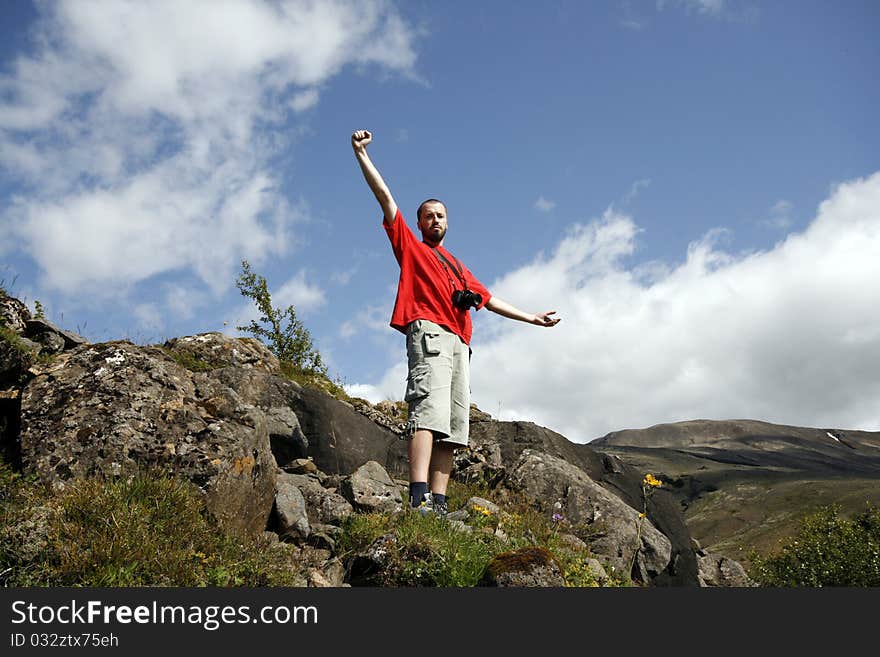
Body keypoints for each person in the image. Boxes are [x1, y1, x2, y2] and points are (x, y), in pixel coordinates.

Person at [351, 129, 561, 516]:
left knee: (453, 424)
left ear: (448, 222)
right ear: (418, 224)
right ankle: (418, 498)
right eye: (428, 216)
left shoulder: (459, 267)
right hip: (429, 333)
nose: (435, 220)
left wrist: (533, 317)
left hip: (459, 344)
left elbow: (490, 299)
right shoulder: (411, 249)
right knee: (427, 414)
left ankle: (440, 502)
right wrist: (361, 154)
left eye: (441, 215)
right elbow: (385, 198)